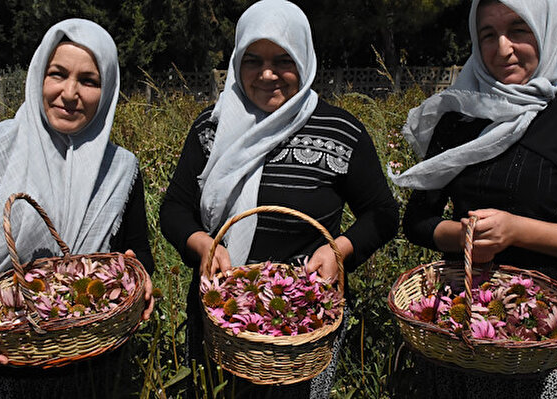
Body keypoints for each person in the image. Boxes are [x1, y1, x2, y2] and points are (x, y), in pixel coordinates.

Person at [159, 0, 399, 397]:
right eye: (253, 60)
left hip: (303, 324)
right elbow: (174, 209)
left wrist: (338, 250)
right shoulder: (211, 128)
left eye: (282, 60)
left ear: (304, 60)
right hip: (223, 316)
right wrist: (201, 244)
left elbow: (383, 214)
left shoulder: (340, 131)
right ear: (237, 63)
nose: (267, 74)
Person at [392, 0, 557, 397]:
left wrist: (517, 232)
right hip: (461, 332)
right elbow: (417, 222)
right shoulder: (460, 118)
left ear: (547, 29)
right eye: (488, 34)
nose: (502, 49)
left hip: (550, 333)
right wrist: (465, 235)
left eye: (518, 29)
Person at [0, 19, 155, 398]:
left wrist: (138, 279)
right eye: (57, 74)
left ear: (107, 90)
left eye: (89, 81)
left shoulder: (121, 170)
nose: (69, 93)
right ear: (39, 75)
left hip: (89, 368)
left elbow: (137, 250)